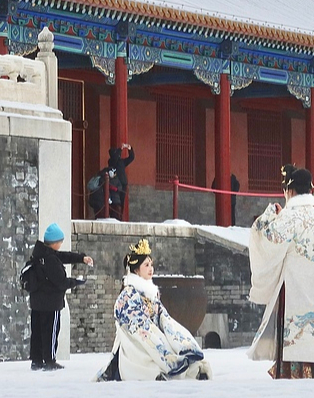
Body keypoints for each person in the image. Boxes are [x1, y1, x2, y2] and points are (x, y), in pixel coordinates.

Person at [247, 165, 314, 379]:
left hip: (295, 284)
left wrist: (269, 216)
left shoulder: (291, 215)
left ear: (290, 190)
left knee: (295, 327)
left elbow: (269, 239)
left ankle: (292, 372)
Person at [96, 239, 212, 381]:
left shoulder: (151, 294)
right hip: (135, 345)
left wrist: (180, 341)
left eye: (151, 264)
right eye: (146, 265)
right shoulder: (127, 295)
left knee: (179, 354)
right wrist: (159, 343)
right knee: (154, 364)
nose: (151, 268)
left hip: (154, 339)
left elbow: (164, 317)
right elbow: (138, 328)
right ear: (136, 270)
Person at [27, 223, 93, 371]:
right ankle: (50, 361)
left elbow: (63, 256)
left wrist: (81, 258)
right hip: (51, 302)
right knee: (50, 332)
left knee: (37, 332)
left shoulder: (40, 254)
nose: (61, 244)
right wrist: (77, 281)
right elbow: (61, 282)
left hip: (37, 302)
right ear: (55, 242)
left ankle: (36, 360)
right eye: (60, 241)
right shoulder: (50, 260)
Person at [107, 143, 135, 214]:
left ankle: (120, 215)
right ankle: (114, 214)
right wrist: (120, 149)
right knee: (116, 201)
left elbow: (131, 158)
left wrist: (130, 149)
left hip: (123, 183)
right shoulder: (111, 161)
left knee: (122, 201)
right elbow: (115, 158)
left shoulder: (122, 161)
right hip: (115, 184)